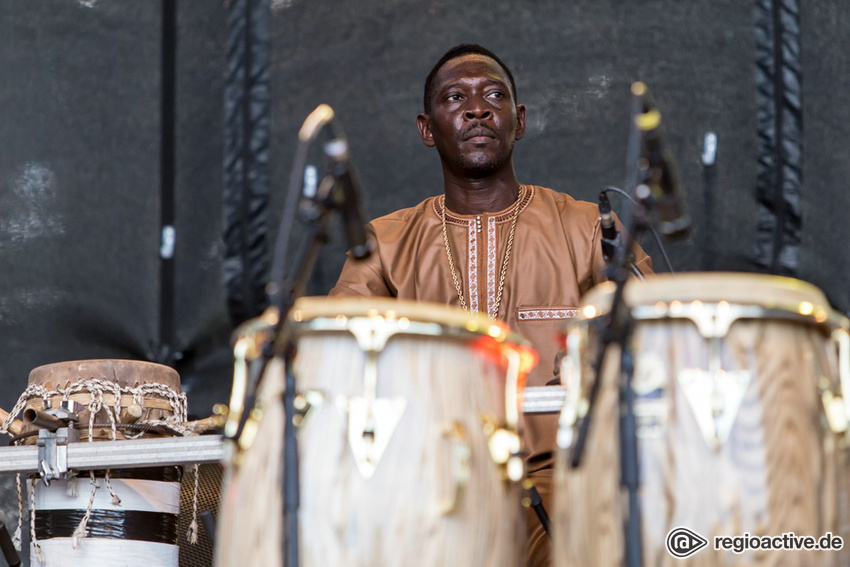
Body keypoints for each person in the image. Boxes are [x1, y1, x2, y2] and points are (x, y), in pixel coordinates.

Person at [329, 43, 653, 566]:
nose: (477, 108)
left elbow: (650, 337)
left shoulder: (587, 230)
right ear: (427, 129)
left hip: (567, 482)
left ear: (518, 120)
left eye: (494, 95)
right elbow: (336, 357)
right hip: (428, 484)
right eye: (456, 97)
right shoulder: (384, 245)